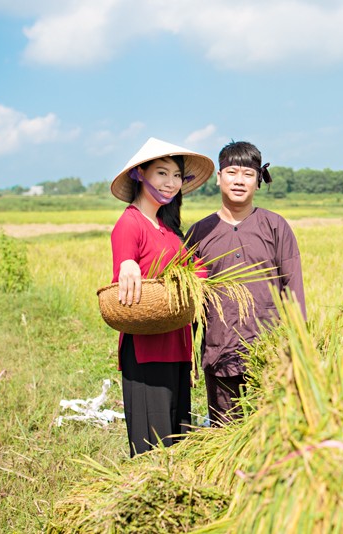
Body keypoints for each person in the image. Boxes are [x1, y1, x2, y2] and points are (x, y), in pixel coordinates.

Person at [186, 140, 305, 426]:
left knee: (274, 433)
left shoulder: (275, 226)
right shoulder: (199, 233)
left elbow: (294, 290)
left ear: (258, 181)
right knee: (225, 438)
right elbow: (190, 302)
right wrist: (186, 355)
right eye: (232, 172)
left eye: (248, 174)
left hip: (269, 352)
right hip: (220, 354)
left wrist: (299, 347)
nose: (239, 181)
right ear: (219, 178)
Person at [109, 137, 215, 457]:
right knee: (153, 448)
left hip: (178, 346)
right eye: (161, 173)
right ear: (140, 174)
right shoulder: (130, 223)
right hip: (148, 348)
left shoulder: (168, 228)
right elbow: (124, 261)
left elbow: (198, 273)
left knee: (178, 441)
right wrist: (128, 263)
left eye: (176, 176)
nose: (171, 184)